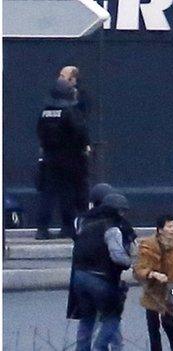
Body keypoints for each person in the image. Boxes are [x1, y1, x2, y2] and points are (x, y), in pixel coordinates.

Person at [71, 193, 134, 351]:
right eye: (122, 211)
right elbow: (117, 256)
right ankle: (100, 348)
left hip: (79, 276)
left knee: (87, 317)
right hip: (102, 278)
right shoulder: (112, 227)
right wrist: (130, 262)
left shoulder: (84, 222)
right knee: (112, 317)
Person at [134, 215, 173, 351]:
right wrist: (152, 274)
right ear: (160, 229)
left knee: (168, 322)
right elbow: (140, 268)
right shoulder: (148, 244)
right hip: (152, 290)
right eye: (169, 226)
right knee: (153, 325)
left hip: (171, 289)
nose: (172, 230)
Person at [36, 78, 90, 240]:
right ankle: (67, 227)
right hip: (69, 158)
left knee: (47, 194)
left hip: (49, 157)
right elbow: (80, 132)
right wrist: (84, 147)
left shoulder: (45, 111)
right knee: (67, 193)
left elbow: (39, 132)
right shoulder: (71, 111)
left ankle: (42, 229)